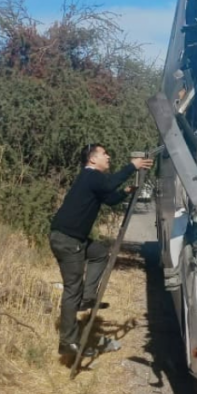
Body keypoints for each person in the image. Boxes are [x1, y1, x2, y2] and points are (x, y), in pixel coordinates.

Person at [50, 143, 153, 358]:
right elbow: (108, 184)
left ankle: (87, 297)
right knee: (72, 289)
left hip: (74, 239)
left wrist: (126, 191)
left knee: (99, 253)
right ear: (92, 159)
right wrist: (132, 167)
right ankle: (66, 342)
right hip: (68, 240)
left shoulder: (94, 181)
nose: (108, 157)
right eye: (104, 154)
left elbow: (110, 198)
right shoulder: (91, 175)